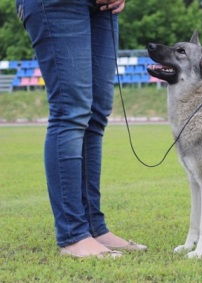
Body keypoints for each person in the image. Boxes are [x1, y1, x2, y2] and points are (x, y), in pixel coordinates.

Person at [16, 0, 146, 258]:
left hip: (102, 7)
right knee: (71, 111)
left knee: (96, 115)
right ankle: (73, 233)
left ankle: (94, 228)